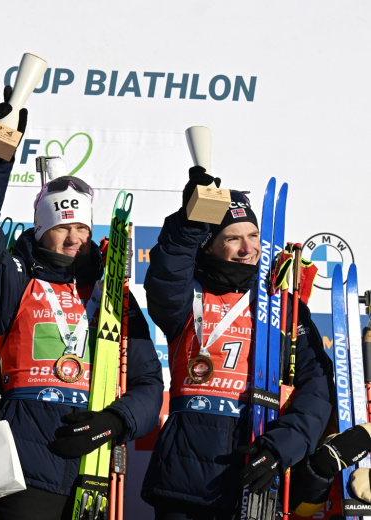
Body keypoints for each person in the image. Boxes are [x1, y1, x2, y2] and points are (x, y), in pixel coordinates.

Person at [0, 93, 164, 519]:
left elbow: (149, 383)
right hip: (24, 465)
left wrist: (116, 422)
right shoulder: (16, 280)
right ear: (40, 230)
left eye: (82, 228)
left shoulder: (112, 297)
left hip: (96, 467)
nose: (73, 239)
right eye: (61, 228)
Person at [141, 167, 333, 519]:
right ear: (209, 245)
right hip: (183, 477)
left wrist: (280, 450)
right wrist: (192, 218)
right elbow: (168, 273)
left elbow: (316, 387)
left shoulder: (284, 306)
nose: (248, 249)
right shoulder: (187, 296)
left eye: (254, 235)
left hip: (257, 464)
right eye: (232, 238)